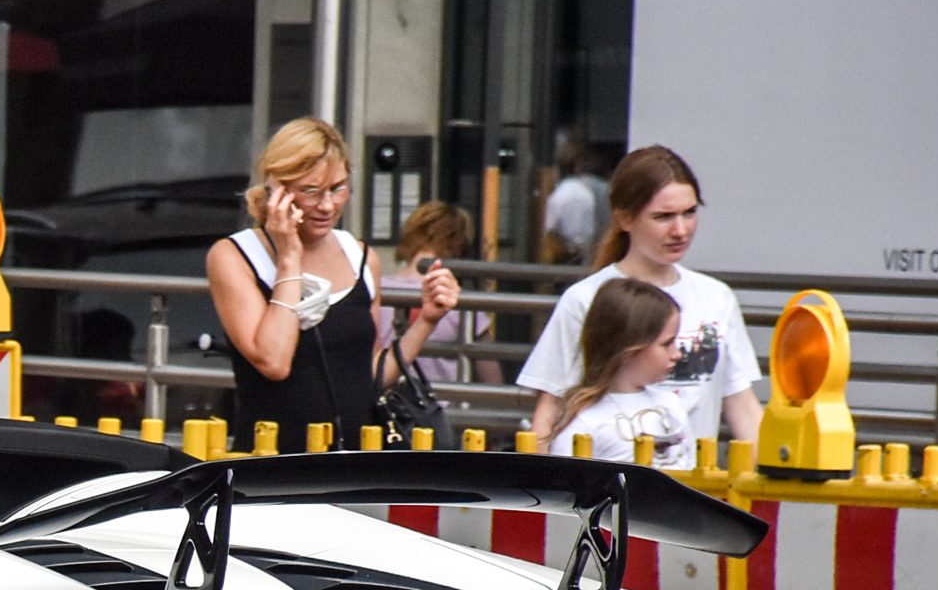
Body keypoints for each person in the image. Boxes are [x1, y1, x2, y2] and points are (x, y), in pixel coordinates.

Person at [207, 117, 459, 450]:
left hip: (353, 458)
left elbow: (367, 377)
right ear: (277, 191)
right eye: (310, 191)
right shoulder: (234, 256)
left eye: (338, 188)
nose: (327, 206)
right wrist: (288, 259)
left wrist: (426, 321)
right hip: (273, 461)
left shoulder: (361, 257)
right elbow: (274, 361)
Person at [515, 145, 762, 448]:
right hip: (611, 482)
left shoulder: (716, 297)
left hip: (693, 483)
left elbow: (742, 405)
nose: (680, 229)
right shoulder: (584, 298)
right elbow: (551, 407)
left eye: (690, 212)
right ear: (624, 219)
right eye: (663, 217)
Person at [545, 277, 690, 467]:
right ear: (629, 351)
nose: (677, 354)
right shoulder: (584, 423)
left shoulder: (672, 404)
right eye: (666, 344)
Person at [380, 200, 494, 386]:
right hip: (441, 406)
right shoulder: (461, 301)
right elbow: (491, 377)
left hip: (384, 403)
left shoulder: (376, 291)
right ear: (460, 244)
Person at [541, 137, 612, 266]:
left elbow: (549, 227)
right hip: (585, 256)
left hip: (563, 257)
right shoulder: (589, 193)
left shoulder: (559, 194)